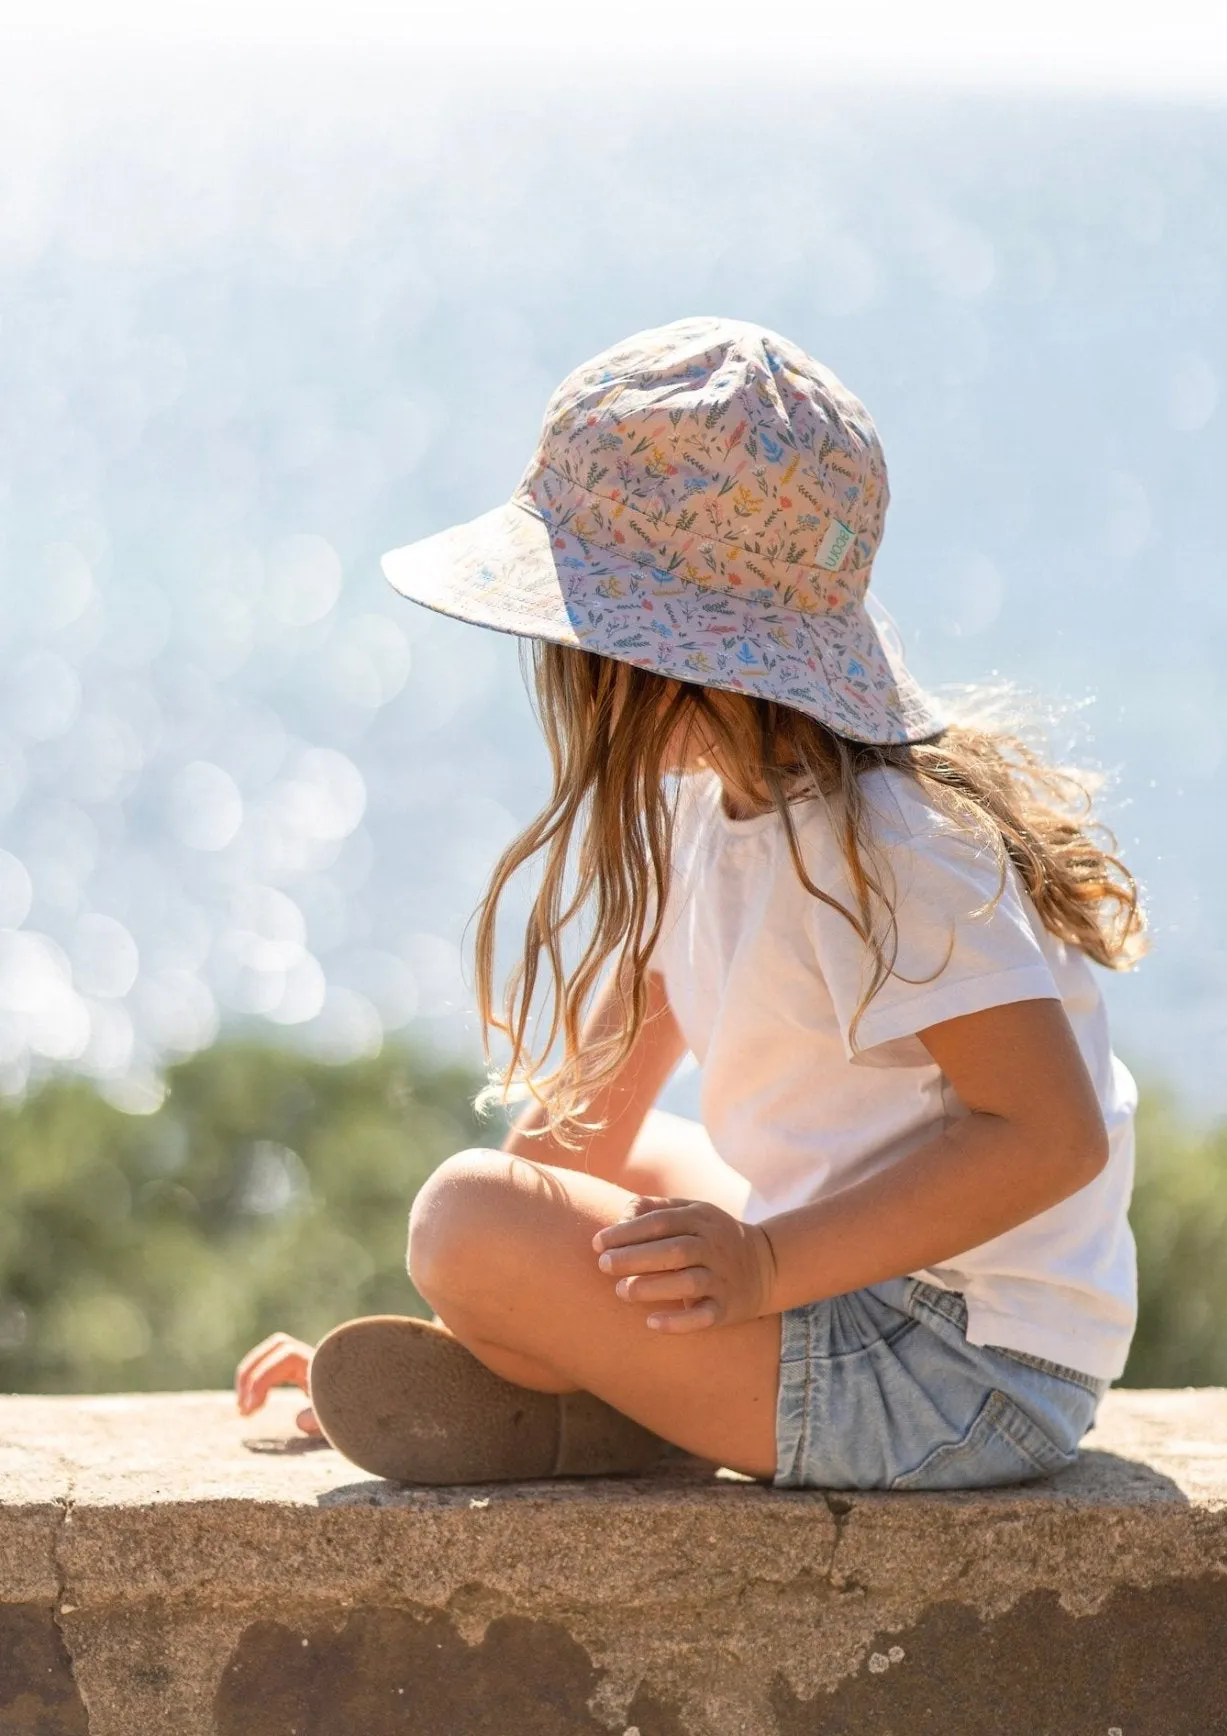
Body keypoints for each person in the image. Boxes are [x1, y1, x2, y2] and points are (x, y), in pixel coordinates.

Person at [235, 314, 1146, 1492]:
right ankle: (617, 1391)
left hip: (959, 1371)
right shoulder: (695, 811)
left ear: (650, 657)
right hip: (856, 1302)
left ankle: (632, 1394)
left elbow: (1048, 1132)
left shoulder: (896, 844)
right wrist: (469, 1338)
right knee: (625, 1176)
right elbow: (586, 1134)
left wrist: (762, 1264)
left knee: (463, 1215)